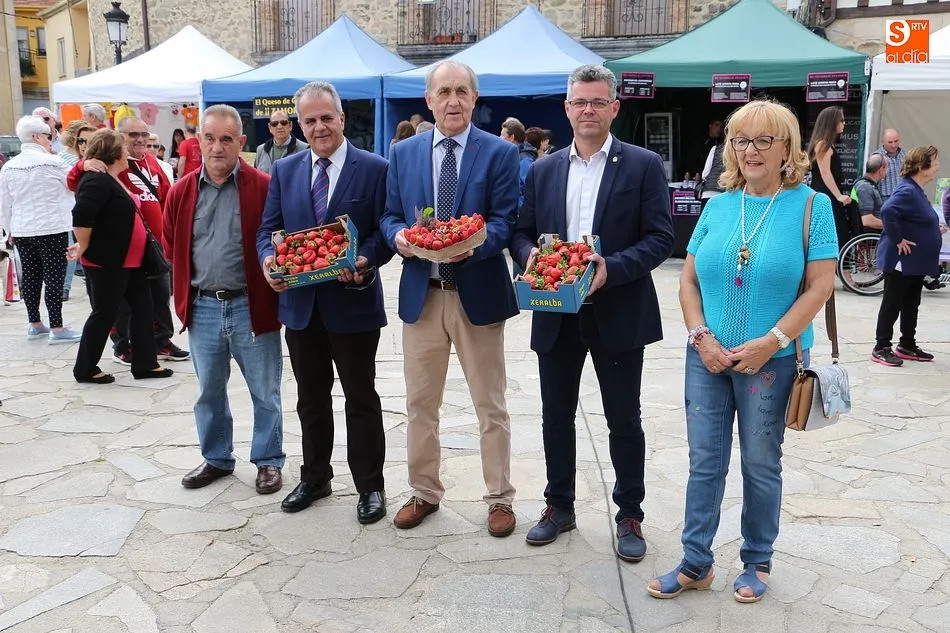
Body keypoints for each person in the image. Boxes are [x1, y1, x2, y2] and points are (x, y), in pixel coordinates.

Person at [647, 99, 838, 603]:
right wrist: (700, 336)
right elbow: (688, 281)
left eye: (763, 140)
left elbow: (820, 287)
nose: (750, 150)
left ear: (786, 147)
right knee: (705, 462)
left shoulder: (812, 207)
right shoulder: (717, 205)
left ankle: (757, 561)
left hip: (771, 361)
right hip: (706, 357)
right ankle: (696, 562)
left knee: (760, 463)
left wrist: (772, 341)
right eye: (740, 140)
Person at [511, 64, 674, 560]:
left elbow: (661, 239)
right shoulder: (543, 169)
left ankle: (629, 514)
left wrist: (612, 268)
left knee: (624, 419)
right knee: (555, 416)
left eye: (598, 102)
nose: (588, 110)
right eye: (580, 102)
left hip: (618, 309)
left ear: (614, 108)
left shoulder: (643, 164)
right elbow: (521, 232)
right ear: (566, 109)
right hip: (554, 310)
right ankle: (559, 505)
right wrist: (529, 257)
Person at [380, 60, 521, 537]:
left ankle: (499, 498)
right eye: (444, 92)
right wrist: (398, 236)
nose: (453, 100)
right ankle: (424, 491)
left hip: (476, 295)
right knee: (420, 405)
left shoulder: (500, 153)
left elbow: (506, 221)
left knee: (490, 405)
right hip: (423, 296)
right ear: (429, 99)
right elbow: (389, 215)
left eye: (462, 91)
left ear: (474, 99)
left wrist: (474, 242)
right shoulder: (403, 153)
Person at [257, 81, 394, 523]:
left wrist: (365, 259)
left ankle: (370, 486)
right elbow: (268, 230)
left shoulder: (374, 168)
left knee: (360, 398)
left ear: (342, 118)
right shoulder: (286, 170)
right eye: (310, 120)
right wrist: (268, 261)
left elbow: (384, 231)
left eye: (326, 118)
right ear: (300, 124)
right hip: (301, 307)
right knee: (310, 399)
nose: (319, 127)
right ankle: (315, 477)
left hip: (353, 304)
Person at [164, 104, 285, 496]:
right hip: (202, 307)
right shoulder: (181, 192)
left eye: (227, 139)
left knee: (265, 391)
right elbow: (171, 244)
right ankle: (216, 457)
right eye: (210, 138)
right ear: (199, 141)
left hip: (252, 306)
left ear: (241, 142)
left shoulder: (264, 187)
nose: (217, 147)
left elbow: (279, 240)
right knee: (209, 392)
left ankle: (268, 460)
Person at [68, 117, 189, 365]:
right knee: (120, 304)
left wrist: (170, 235)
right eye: (133, 135)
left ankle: (160, 342)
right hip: (119, 249)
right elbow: (74, 185)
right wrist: (82, 165)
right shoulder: (105, 168)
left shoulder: (153, 164)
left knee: (158, 296)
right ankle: (122, 346)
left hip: (152, 244)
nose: (141, 140)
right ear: (120, 138)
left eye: (145, 134)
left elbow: (166, 199)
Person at [0, 116, 82, 343]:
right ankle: (56, 326)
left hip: (22, 229)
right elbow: (74, 184)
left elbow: (4, 203)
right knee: (54, 276)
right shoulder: (54, 162)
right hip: (52, 226)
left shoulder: (9, 166)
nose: (50, 139)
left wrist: (8, 230)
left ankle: (34, 323)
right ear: (37, 136)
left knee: (31, 276)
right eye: (48, 135)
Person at [871, 146, 943, 367]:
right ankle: (881, 347)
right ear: (921, 166)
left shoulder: (916, 189)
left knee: (911, 304)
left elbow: (913, 218)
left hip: (915, 263)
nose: (937, 166)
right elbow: (888, 211)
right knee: (892, 304)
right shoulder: (908, 190)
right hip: (902, 262)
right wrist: (898, 240)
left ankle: (907, 344)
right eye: (934, 162)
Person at [59, 121, 97, 301]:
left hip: (99, 226)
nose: (83, 145)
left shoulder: (101, 165)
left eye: (88, 141)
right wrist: (81, 166)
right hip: (76, 219)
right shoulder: (72, 162)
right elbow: (70, 182)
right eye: (80, 140)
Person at [808, 106, 853, 250]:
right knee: (836, 232)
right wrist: (839, 196)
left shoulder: (825, 144)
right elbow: (825, 172)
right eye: (841, 120)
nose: (844, 123)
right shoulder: (823, 144)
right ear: (832, 122)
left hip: (826, 193)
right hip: (825, 194)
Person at [254, 110, 308, 174]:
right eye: (274, 124)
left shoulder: (305, 149)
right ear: (270, 127)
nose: (279, 127)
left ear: (290, 125)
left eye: (283, 123)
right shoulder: (261, 150)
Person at [850, 153, 886, 233]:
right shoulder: (865, 187)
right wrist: (891, 225)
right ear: (881, 170)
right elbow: (867, 220)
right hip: (872, 235)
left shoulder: (866, 185)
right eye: (886, 168)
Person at [875, 128, 907, 200]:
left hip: (903, 195)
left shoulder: (904, 154)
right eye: (890, 142)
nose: (893, 145)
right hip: (885, 198)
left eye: (896, 141)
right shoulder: (877, 157)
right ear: (882, 142)